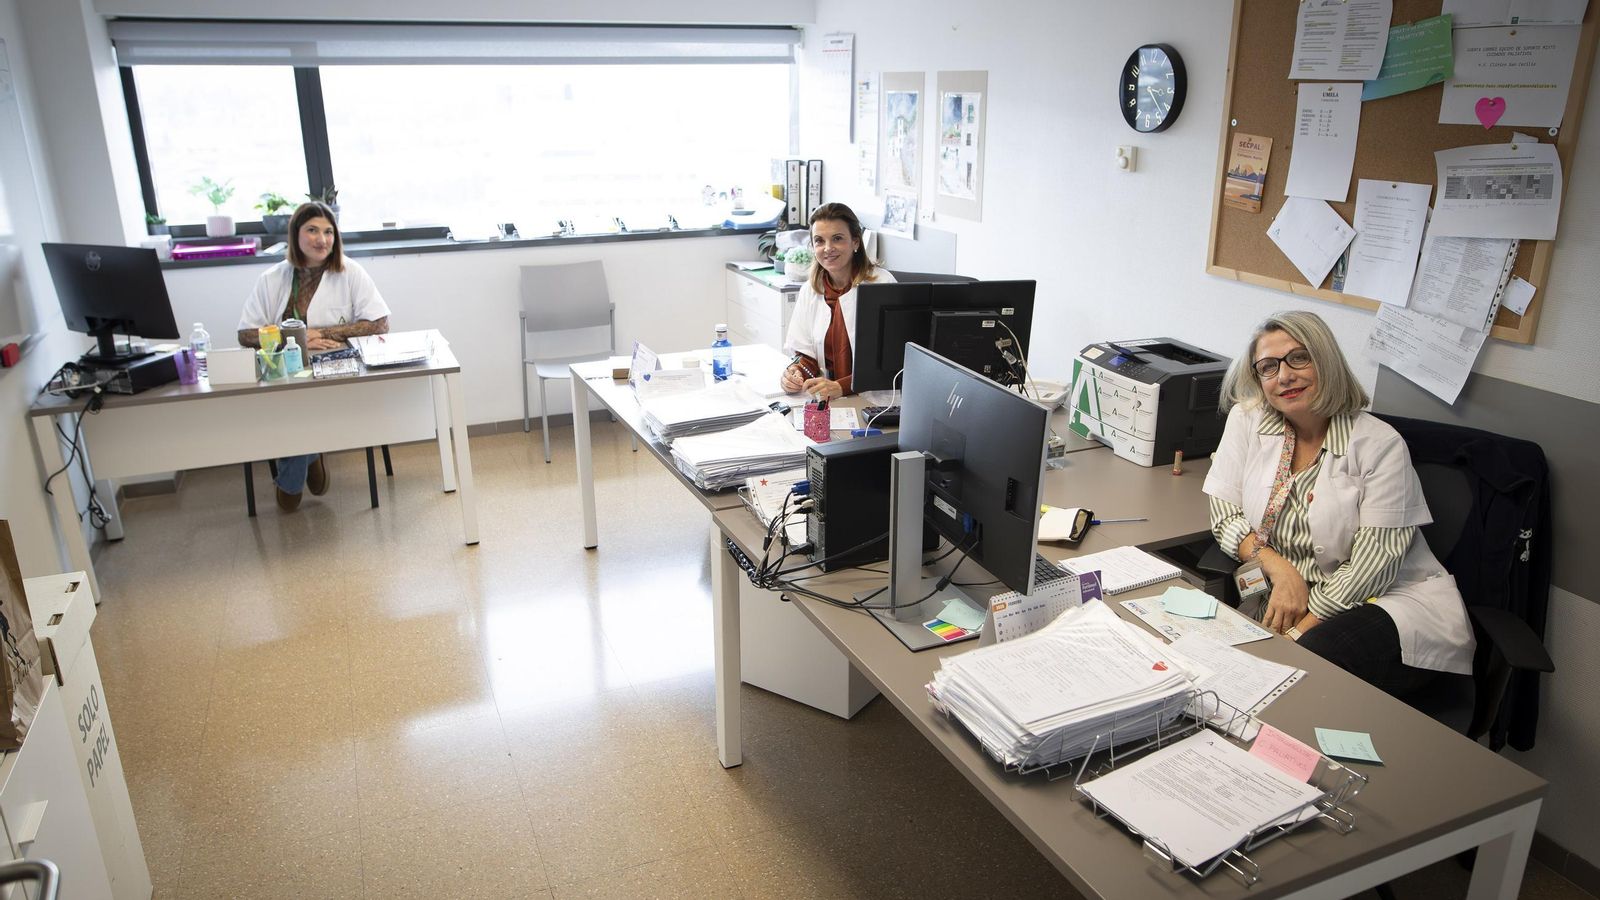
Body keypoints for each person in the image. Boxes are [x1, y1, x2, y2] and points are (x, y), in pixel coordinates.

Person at [1203, 310, 1474, 694]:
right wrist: (1279, 569)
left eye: (1299, 358)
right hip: (1287, 592)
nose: (1284, 376)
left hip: (1384, 599)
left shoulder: (1380, 446)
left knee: (1307, 664)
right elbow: (1223, 510)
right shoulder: (1248, 421)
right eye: (1268, 367)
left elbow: (1374, 564)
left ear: (1326, 361)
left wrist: (1300, 629)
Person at [237, 201, 390, 511]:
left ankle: (291, 478)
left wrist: (325, 334)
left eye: (328, 232)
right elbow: (245, 334)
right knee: (291, 404)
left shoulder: (350, 271)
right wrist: (296, 338)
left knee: (307, 406)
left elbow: (379, 323)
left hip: (336, 364)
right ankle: (313, 452)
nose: (322, 240)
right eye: (312, 230)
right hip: (283, 368)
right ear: (296, 235)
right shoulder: (271, 278)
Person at [780, 203, 896, 400]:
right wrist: (795, 372)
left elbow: (890, 364)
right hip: (828, 398)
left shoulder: (882, 285)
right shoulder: (811, 289)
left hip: (874, 401)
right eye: (819, 241)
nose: (828, 248)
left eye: (837, 239)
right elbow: (804, 354)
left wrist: (840, 387)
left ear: (856, 242)